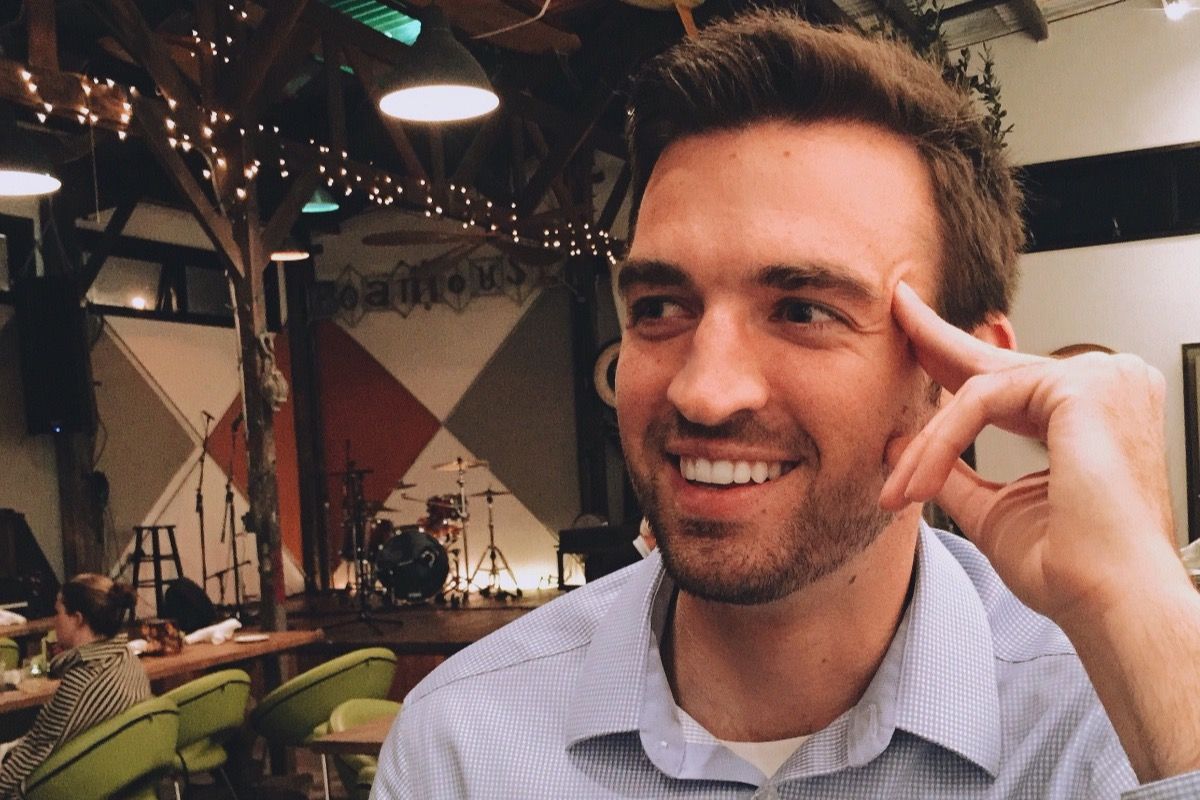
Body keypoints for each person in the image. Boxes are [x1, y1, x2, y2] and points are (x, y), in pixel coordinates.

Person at [372, 10, 1200, 798]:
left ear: (957, 375)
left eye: (803, 311)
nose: (703, 391)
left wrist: (1142, 613)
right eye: (660, 307)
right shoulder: (462, 746)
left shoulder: (1112, 728)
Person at [0, 574, 150, 799]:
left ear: (77, 619)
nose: (54, 620)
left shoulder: (81, 680)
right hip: (117, 779)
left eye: (58, 612)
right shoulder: (127, 659)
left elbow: (31, 754)